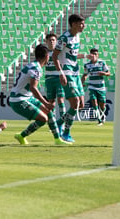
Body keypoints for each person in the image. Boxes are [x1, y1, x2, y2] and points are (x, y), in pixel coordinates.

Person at [9, 44, 71, 145]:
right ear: (47, 56)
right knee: (43, 119)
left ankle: (57, 139)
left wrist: (46, 105)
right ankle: (21, 135)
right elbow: (33, 88)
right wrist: (46, 103)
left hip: (26, 97)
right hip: (18, 100)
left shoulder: (33, 65)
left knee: (48, 111)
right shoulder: (36, 69)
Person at [52, 14, 95, 143]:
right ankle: (66, 133)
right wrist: (61, 73)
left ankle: (59, 122)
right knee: (75, 103)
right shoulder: (64, 38)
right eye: (81, 23)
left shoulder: (77, 37)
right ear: (74, 24)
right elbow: (54, 56)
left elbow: (72, 56)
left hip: (75, 72)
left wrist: (86, 56)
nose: (84, 26)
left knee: (81, 104)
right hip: (67, 72)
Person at [81, 48, 111, 126]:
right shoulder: (87, 65)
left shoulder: (102, 63)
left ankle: (102, 116)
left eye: (96, 54)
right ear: (90, 55)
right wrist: (81, 84)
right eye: (92, 54)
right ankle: (99, 119)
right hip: (92, 86)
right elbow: (85, 75)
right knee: (94, 102)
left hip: (101, 86)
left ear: (98, 55)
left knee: (102, 104)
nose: (94, 55)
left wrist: (104, 73)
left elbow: (108, 73)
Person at [44, 33, 66, 133]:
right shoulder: (44, 53)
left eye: (53, 40)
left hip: (58, 78)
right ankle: (53, 124)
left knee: (60, 99)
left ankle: (62, 123)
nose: (52, 41)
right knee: (50, 102)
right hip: (49, 79)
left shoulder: (59, 52)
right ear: (46, 42)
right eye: (50, 40)